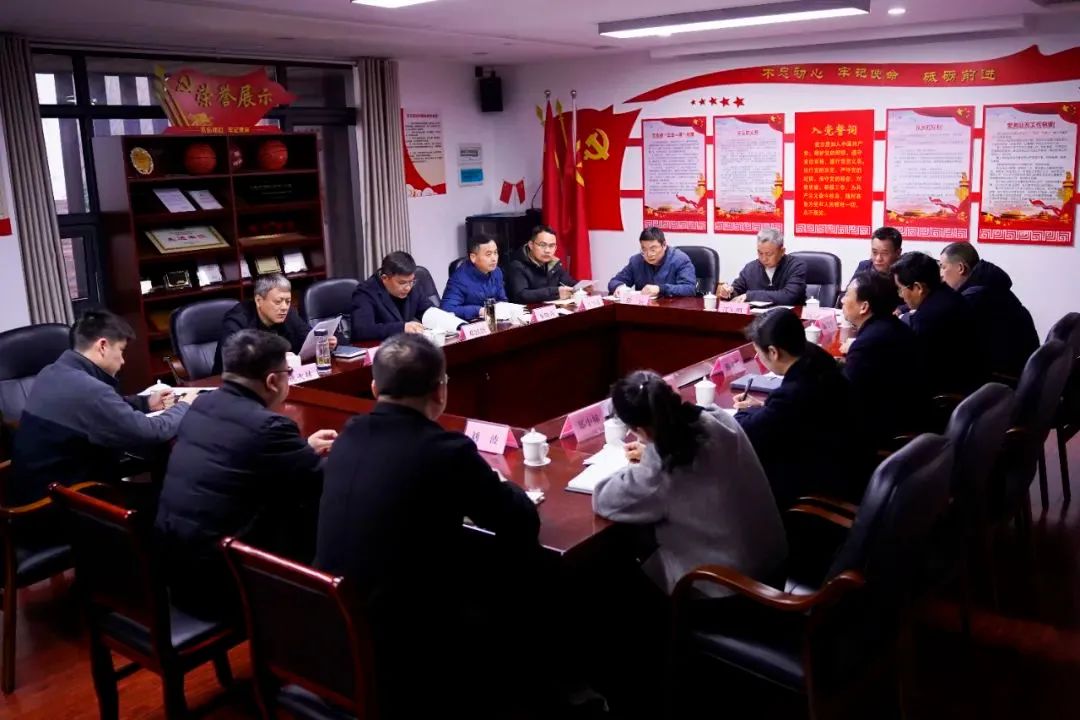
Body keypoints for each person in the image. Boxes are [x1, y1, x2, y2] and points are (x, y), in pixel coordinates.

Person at [315, 333, 540, 717]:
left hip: (328, 631)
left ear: (374, 389)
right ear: (440, 391)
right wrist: (498, 483)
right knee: (520, 584)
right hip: (402, 649)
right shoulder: (447, 451)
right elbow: (521, 521)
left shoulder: (349, 434)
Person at [156, 330, 337, 621]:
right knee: (320, 510)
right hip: (226, 584)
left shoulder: (201, 405)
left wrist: (302, 449)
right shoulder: (269, 427)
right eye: (288, 373)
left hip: (176, 570)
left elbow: (244, 458)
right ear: (272, 381)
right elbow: (326, 480)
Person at [595, 371, 787, 594]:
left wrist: (645, 458)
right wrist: (650, 448)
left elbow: (603, 499)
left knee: (617, 570)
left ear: (640, 430)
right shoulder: (718, 418)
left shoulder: (662, 467)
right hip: (774, 569)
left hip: (733, 591)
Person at [11, 310, 190, 505]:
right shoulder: (89, 390)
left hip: (38, 490)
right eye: (121, 351)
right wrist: (185, 405)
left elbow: (103, 406)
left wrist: (145, 403)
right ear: (103, 346)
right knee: (174, 497)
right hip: (61, 505)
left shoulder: (52, 372)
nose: (123, 361)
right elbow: (152, 432)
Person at [733, 309, 860, 507]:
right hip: (845, 461)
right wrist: (762, 407)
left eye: (759, 353)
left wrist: (744, 412)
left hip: (818, 485)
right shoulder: (817, 358)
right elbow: (792, 415)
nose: (759, 358)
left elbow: (747, 432)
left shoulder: (794, 392)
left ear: (773, 352)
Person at [840, 271, 931, 447]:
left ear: (864, 307)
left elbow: (845, 397)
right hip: (909, 415)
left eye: (847, 295)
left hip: (884, 431)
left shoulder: (868, 343)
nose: (842, 300)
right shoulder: (893, 326)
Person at [939, 242, 1039, 380]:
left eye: (943, 267)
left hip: (1005, 378)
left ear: (960, 268)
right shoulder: (990, 284)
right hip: (1023, 371)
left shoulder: (976, 297)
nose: (941, 275)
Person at [892, 251, 984, 396]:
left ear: (918, 288)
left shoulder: (927, 320)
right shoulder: (948, 295)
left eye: (900, 289)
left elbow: (914, 370)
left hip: (947, 396)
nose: (900, 295)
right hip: (972, 385)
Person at [212, 273, 335, 375]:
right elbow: (232, 359)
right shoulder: (238, 319)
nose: (284, 307)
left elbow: (308, 338)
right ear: (259, 300)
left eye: (288, 301)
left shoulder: (289, 314)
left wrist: (324, 343)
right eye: (278, 302)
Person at [350, 251, 436, 341]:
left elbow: (428, 311)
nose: (408, 288)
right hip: (379, 347)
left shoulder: (413, 286)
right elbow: (362, 330)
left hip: (405, 345)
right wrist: (402, 328)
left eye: (411, 281)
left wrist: (441, 319)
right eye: (402, 283)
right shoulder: (365, 292)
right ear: (385, 278)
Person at [717, 228, 807, 305]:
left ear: (782, 251)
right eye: (760, 253)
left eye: (769, 254)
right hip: (757, 318)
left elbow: (789, 296)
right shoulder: (750, 268)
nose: (764, 259)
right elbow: (737, 290)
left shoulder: (796, 266)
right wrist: (728, 292)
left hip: (788, 317)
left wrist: (750, 296)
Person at [606, 226, 697, 298]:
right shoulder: (636, 261)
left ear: (664, 245)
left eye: (653, 249)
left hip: (672, 311)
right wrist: (620, 287)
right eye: (644, 249)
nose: (648, 254)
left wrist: (660, 289)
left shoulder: (680, 259)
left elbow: (689, 289)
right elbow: (614, 281)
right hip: (643, 310)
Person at [504, 224, 579, 303]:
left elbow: (569, 283)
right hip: (527, 309)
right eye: (542, 245)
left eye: (551, 246)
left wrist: (581, 287)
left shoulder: (554, 263)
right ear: (531, 245)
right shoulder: (517, 265)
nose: (547, 250)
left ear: (555, 248)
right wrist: (556, 292)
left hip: (550, 308)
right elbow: (521, 295)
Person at [441, 234, 508, 320]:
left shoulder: (497, 272)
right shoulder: (459, 279)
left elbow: (502, 300)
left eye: (495, 253)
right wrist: (479, 310)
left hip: (493, 320)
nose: (494, 259)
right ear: (473, 257)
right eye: (488, 254)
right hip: (469, 324)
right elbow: (447, 309)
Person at [838, 226, 903, 309]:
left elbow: (914, 302)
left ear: (898, 253)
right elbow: (845, 295)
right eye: (874, 252)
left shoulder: (904, 271)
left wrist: (901, 310)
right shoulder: (864, 267)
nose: (878, 258)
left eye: (884, 253)